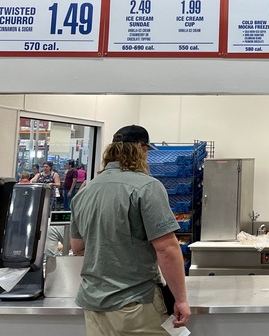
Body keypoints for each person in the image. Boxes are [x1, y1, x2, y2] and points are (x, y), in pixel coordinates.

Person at [70, 125, 190, 334]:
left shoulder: (85, 190)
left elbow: (78, 247)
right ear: (140, 150)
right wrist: (180, 299)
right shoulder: (147, 187)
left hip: (93, 306)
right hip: (134, 305)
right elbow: (167, 249)